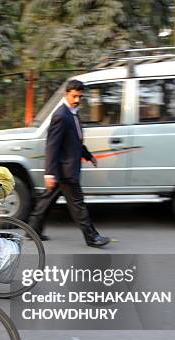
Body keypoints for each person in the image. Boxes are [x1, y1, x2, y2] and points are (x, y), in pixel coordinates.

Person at [27, 80, 111, 248]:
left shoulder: (73, 112)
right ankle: (92, 237)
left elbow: (76, 141)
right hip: (65, 171)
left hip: (64, 169)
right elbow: (52, 145)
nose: (77, 99)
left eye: (80, 96)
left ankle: (33, 229)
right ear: (67, 94)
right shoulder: (61, 115)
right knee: (78, 205)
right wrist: (49, 173)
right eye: (74, 96)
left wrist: (88, 156)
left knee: (46, 200)